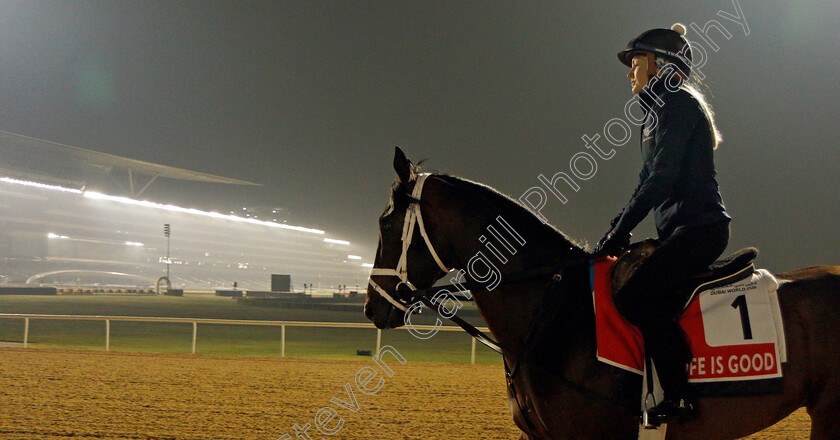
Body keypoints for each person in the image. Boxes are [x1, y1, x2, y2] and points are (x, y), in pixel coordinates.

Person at [595, 23, 731, 425]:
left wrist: (619, 233)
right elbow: (645, 183)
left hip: (702, 230)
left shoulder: (679, 106)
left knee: (636, 297)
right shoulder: (655, 116)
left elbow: (662, 180)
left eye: (635, 61)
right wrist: (616, 228)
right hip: (679, 231)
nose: (629, 71)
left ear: (659, 65)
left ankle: (680, 397)